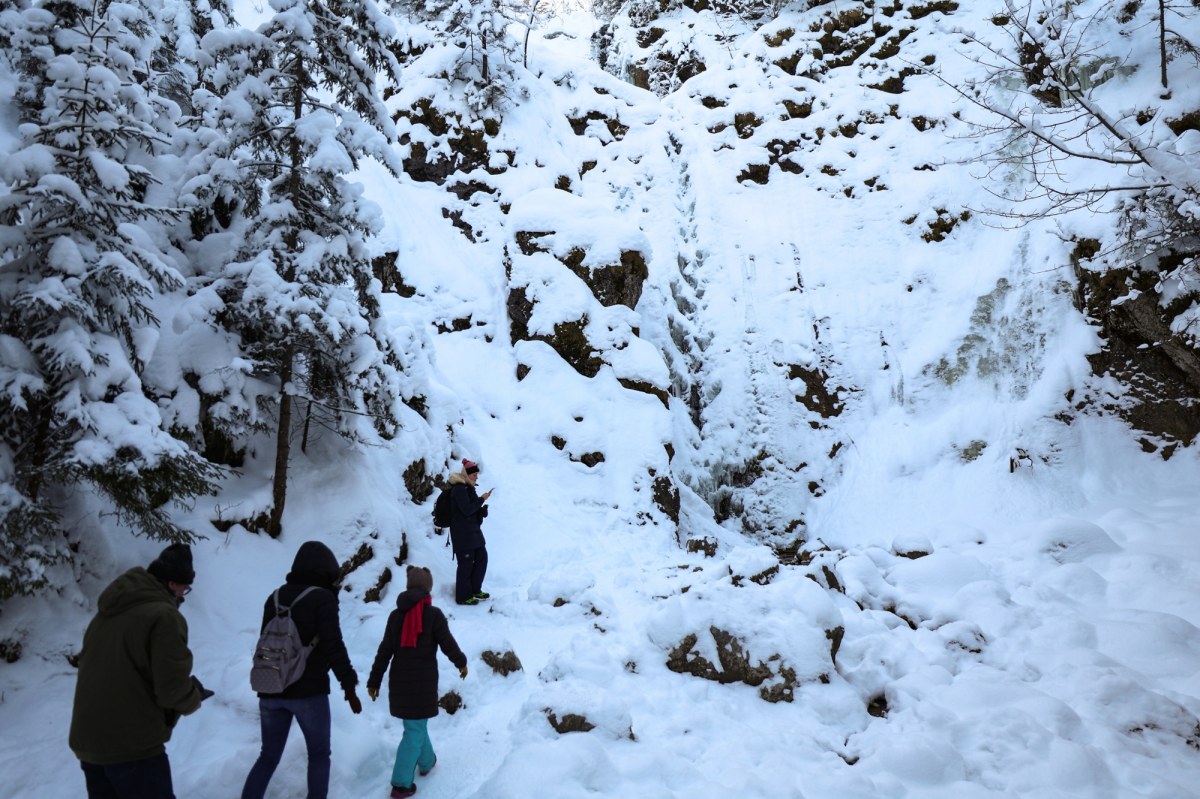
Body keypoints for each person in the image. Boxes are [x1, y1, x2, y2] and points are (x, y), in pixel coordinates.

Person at [69, 542, 213, 799]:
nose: (183, 596)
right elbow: (171, 690)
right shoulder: (163, 616)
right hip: (130, 745)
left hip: (89, 742)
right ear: (172, 584)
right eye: (185, 588)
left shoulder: (107, 613)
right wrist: (192, 697)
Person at [241, 540, 363, 799]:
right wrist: (349, 685)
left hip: (271, 685)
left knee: (268, 757)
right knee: (319, 754)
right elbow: (333, 645)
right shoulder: (322, 598)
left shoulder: (274, 597)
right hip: (309, 692)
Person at [367, 565, 467, 799]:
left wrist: (375, 680)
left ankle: (427, 761)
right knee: (414, 730)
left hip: (400, 682)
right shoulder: (433, 615)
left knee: (415, 725)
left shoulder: (395, 615)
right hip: (422, 683)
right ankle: (401, 783)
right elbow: (447, 643)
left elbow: (384, 651)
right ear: (428, 589)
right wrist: (461, 662)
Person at [447, 458, 493, 605]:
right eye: (474, 475)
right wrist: (482, 500)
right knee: (465, 565)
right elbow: (466, 510)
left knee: (482, 559)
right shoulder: (459, 489)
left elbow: (472, 511)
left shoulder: (469, 488)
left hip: (474, 533)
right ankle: (463, 596)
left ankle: (474, 590)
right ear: (467, 474)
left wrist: (481, 512)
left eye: (477, 475)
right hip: (462, 535)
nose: (476, 477)